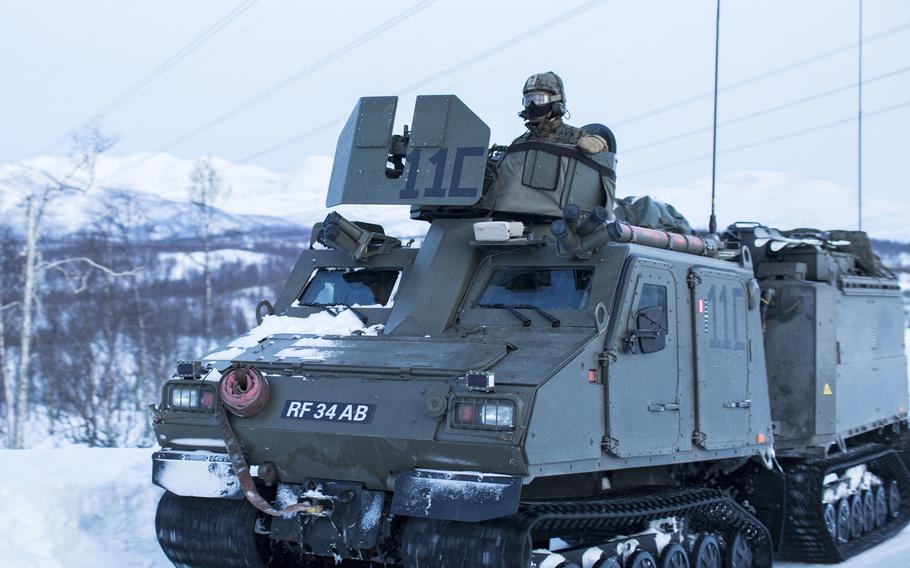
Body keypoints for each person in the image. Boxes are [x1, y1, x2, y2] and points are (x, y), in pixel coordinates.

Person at [511, 71, 609, 154]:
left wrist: (599, 143)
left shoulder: (574, 137)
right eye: (528, 100)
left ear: (556, 102)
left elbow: (603, 160)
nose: (532, 105)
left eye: (539, 99)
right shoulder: (519, 144)